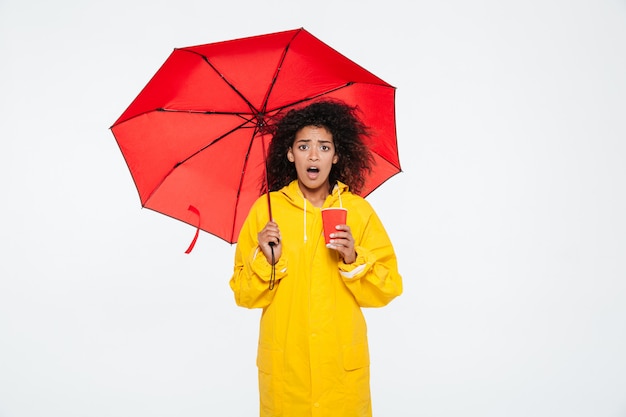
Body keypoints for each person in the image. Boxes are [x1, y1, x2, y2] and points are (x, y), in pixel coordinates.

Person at [229, 99, 403, 417]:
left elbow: (389, 286)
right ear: (289, 153)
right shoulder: (267, 212)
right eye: (304, 145)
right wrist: (267, 260)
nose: (313, 155)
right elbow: (243, 294)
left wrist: (353, 256)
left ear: (336, 155)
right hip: (286, 371)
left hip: (340, 370)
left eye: (324, 147)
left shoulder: (357, 210)